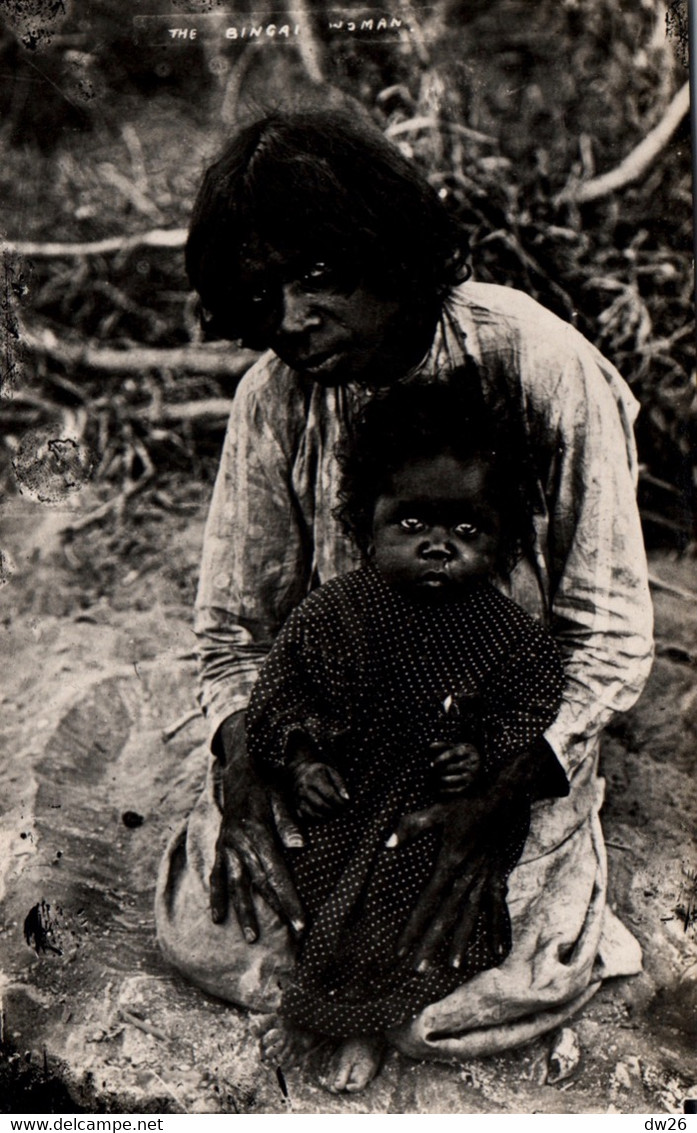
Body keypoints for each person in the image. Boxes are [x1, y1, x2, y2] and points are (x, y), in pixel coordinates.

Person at [155, 107, 653, 1094]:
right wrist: (241, 751)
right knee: (210, 933)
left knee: (477, 989)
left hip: (498, 733)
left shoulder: (536, 365)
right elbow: (232, 622)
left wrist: (504, 786)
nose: (296, 318)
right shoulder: (278, 392)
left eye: (319, 277)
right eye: (268, 291)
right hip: (337, 727)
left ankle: (544, 889)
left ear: (392, 253)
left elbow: (607, 632)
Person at [245, 378, 566, 1088]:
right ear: (364, 523)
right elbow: (279, 693)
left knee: (414, 897)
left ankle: (363, 1023)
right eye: (411, 524)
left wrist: (482, 752)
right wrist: (298, 758)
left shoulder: (505, 631)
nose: (437, 547)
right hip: (346, 790)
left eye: (466, 530)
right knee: (319, 886)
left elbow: (533, 702)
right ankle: (325, 997)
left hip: (433, 805)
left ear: (505, 540)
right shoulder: (333, 611)